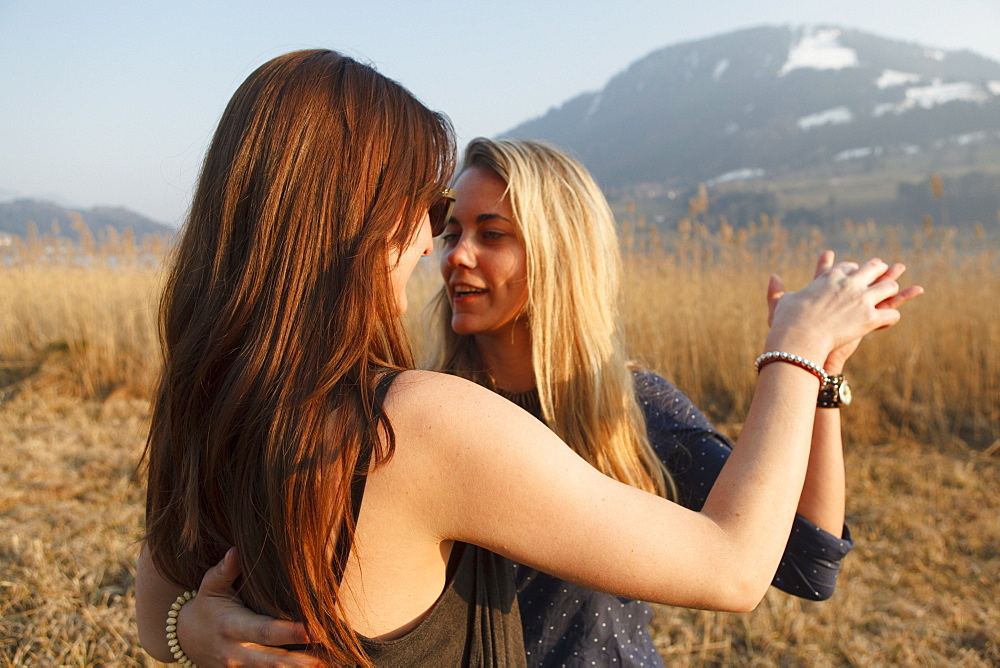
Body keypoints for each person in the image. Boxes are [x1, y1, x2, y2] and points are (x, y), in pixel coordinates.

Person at [136, 49, 919, 668]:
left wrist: (820, 386)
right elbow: (732, 569)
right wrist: (795, 348)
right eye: (439, 219)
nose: (440, 248)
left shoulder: (219, 397)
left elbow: (803, 564)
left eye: (490, 231)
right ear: (359, 220)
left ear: (558, 253)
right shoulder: (428, 416)